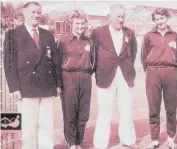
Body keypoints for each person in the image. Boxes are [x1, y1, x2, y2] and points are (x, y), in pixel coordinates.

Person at [4, 2, 61, 149]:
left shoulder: (47, 34)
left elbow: (55, 62)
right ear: (24, 13)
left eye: (39, 13)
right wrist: (15, 88)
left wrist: (58, 84)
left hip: (47, 86)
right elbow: (9, 64)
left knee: (46, 124)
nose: (36, 15)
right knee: (29, 127)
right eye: (33, 12)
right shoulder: (12, 35)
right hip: (26, 87)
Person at [91, 4, 138, 149]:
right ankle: (100, 144)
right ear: (109, 17)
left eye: (123, 16)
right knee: (104, 111)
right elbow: (93, 54)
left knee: (126, 109)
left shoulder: (130, 33)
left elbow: (133, 53)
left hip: (125, 75)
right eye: (118, 16)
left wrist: (127, 68)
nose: (121, 19)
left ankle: (128, 140)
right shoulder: (98, 32)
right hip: (105, 76)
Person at [141, 8, 177, 149]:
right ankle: (154, 139)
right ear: (154, 20)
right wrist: (150, 71)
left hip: (171, 72)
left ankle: (171, 137)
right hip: (153, 72)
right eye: (157, 19)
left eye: (162, 18)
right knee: (153, 107)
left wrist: (172, 68)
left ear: (167, 18)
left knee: (171, 108)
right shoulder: (148, 36)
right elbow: (143, 56)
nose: (160, 22)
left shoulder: (175, 36)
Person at [57, 9, 94, 149]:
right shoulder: (62, 40)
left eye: (82, 23)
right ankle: (71, 142)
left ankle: (79, 141)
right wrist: (59, 84)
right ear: (71, 24)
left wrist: (86, 73)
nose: (80, 26)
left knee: (84, 112)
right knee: (70, 111)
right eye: (77, 23)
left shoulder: (89, 41)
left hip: (85, 78)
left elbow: (93, 61)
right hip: (68, 78)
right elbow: (56, 63)